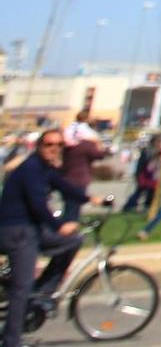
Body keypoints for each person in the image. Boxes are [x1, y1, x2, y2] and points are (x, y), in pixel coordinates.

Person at [2, 129, 87, 347]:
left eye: (59, 145)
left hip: (27, 230)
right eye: (49, 145)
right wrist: (59, 226)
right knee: (22, 288)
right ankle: (11, 340)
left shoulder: (44, 169)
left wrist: (91, 198)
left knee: (74, 241)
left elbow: (64, 186)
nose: (54, 149)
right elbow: (37, 205)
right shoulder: (31, 169)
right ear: (39, 146)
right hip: (17, 232)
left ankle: (41, 293)